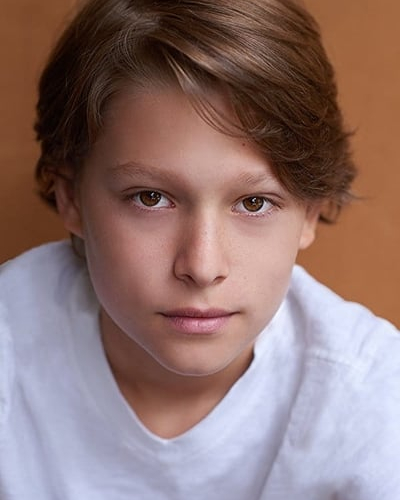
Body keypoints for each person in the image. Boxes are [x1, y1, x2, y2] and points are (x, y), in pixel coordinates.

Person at [0, 0, 399, 498]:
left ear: (310, 214)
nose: (202, 266)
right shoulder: (11, 346)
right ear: (70, 198)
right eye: (151, 198)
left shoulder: (373, 398)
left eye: (254, 202)